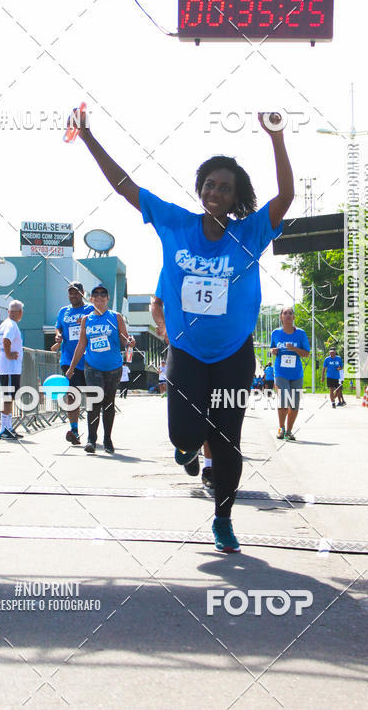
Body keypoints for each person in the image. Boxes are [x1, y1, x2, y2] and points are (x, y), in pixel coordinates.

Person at [73, 110, 293, 552]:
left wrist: (276, 137)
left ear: (236, 197)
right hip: (187, 352)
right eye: (210, 184)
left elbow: (286, 195)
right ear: (200, 188)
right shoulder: (176, 222)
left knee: (227, 439)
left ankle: (223, 520)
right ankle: (189, 449)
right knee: (184, 435)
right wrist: (88, 137)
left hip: (233, 355)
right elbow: (125, 186)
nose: (215, 192)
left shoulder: (250, 233)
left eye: (225, 188)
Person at [153, 280, 213, 488]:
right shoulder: (175, 267)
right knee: (187, 410)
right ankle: (189, 446)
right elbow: (156, 303)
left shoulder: (221, 266)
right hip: (182, 351)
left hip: (213, 350)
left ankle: (209, 467)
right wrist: (163, 327)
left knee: (210, 412)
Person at [66, 283, 134, 454]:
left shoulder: (116, 317)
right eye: (96, 295)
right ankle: (91, 439)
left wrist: (130, 342)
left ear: (107, 299)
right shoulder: (86, 320)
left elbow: (124, 340)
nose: (99, 298)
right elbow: (81, 344)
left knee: (109, 403)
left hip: (113, 367)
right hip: (92, 366)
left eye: (103, 295)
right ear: (91, 299)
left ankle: (107, 439)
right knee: (94, 401)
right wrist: (72, 367)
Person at [53, 282, 94, 445]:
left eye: (76, 293)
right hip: (69, 360)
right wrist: (58, 335)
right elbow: (58, 327)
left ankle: (92, 433)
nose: (73, 296)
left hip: (90, 360)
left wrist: (85, 323)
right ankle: (74, 430)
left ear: (83, 293)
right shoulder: (63, 311)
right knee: (72, 395)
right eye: (70, 293)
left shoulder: (90, 309)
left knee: (92, 398)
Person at [271, 307, 310, 442]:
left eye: (290, 313)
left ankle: (289, 431)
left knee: (294, 404)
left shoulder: (301, 334)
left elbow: (306, 353)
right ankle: (281, 428)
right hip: (280, 371)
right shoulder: (276, 333)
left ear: (293, 317)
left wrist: (294, 348)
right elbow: (272, 348)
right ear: (281, 317)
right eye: (285, 313)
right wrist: (273, 351)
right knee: (283, 399)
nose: (287, 315)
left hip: (296, 373)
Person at [0, 300, 25, 440]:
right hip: (10, 367)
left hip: (5, 367)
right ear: (20, 312)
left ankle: (7, 427)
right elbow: (6, 340)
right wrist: (8, 355)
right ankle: (4, 428)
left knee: (9, 397)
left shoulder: (4, 324)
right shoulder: (12, 325)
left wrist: (4, 355)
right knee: (9, 397)